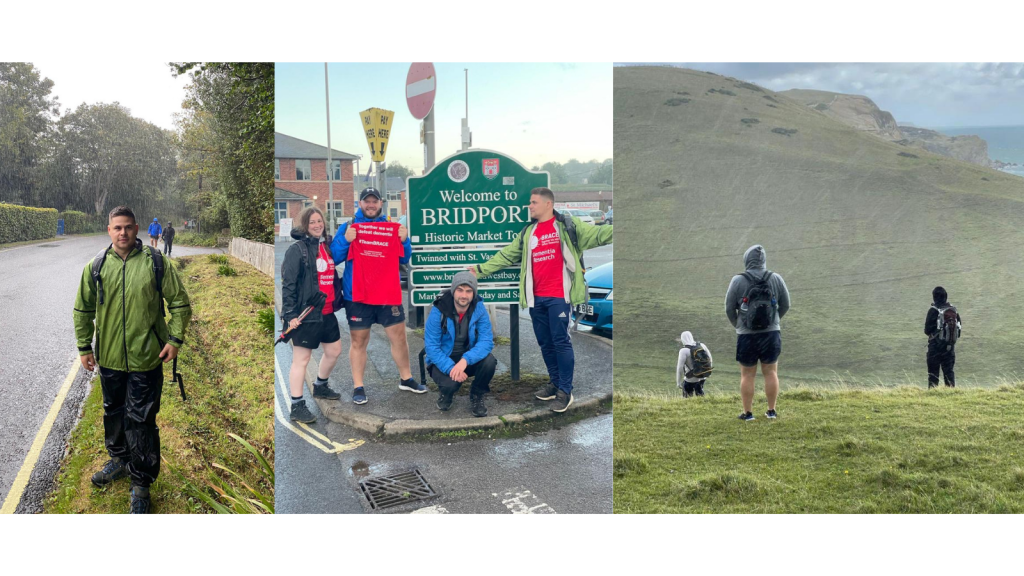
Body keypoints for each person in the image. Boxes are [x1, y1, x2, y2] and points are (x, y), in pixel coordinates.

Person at [73, 206, 192, 513]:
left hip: (146, 357)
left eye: (127, 227)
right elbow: (83, 309)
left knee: (141, 420)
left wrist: (175, 340)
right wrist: (84, 347)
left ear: (137, 228)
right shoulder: (96, 266)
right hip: (110, 357)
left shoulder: (156, 263)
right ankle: (119, 460)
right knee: (113, 412)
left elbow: (179, 303)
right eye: (117, 228)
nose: (122, 233)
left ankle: (141, 482)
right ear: (108, 230)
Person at [470, 187, 613, 413]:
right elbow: (507, 254)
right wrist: (480, 269)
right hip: (537, 299)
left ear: (548, 204)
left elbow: (598, 235)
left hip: (559, 297)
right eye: (530, 202)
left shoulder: (567, 226)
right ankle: (555, 383)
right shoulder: (529, 232)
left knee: (560, 341)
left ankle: (565, 391)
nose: (530, 206)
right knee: (545, 343)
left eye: (533, 202)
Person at [331, 187, 425, 405]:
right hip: (358, 295)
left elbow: (405, 259)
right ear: (360, 203)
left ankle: (406, 378)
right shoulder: (348, 227)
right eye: (367, 201)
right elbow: (333, 258)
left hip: (387, 294)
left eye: (374, 201)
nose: (371, 205)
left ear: (381, 203)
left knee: (399, 338)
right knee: (359, 341)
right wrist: (346, 240)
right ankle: (358, 386)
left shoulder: (392, 228)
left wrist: (404, 241)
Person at [280, 207, 344, 422]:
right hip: (306, 314)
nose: (317, 225)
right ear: (305, 226)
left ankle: (320, 385)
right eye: (312, 222)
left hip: (326, 312)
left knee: (334, 351)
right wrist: (290, 314)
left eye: (319, 221)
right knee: (302, 359)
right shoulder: (297, 250)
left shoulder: (326, 246)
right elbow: (288, 284)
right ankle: (297, 405)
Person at [725, 244, 790, 421]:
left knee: (747, 375)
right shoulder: (775, 278)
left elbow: (729, 308)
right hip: (771, 334)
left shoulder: (738, 280)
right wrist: (774, 321)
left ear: (747, 259)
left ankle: (747, 413)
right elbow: (786, 305)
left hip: (746, 335)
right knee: (771, 372)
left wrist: (739, 325)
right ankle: (771, 411)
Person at [424, 271, 497, 417]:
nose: (464, 295)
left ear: (474, 293)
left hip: (467, 357)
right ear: (453, 291)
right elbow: (431, 347)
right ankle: (447, 394)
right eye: (460, 290)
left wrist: (465, 360)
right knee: (451, 384)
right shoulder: (438, 310)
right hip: (443, 358)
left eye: (469, 291)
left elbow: (486, 341)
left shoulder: (479, 309)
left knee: (489, 361)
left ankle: (477, 395)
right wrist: (451, 368)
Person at [925, 286, 962, 388]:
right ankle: (951, 395)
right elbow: (958, 330)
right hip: (949, 348)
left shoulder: (933, 310)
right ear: (946, 296)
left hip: (935, 348)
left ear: (934, 297)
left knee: (933, 375)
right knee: (949, 373)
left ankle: (932, 397)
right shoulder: (953, 310)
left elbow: (927, 330)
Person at [676, 331, 712, 397]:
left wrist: (678, 382)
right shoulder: (702, 345)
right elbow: (710, 359)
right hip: (702, 376)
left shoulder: (683, 351)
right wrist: (708, 371)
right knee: (700, 394)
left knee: (687, 398)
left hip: (690, 378)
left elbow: (680, 368)